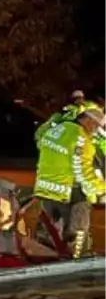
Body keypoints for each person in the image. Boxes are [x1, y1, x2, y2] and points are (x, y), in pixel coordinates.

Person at [34, 107, 106, 257]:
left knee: (48, 234)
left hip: (46, 190)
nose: (95, 130)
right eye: (96, 125)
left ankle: (43, 260)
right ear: (88, 120)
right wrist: (102, 189)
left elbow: (39, 139)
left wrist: (52, 120)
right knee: (76, 235)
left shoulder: (55, 129)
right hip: (70, 193)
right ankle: (76, 265)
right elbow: (82, 173)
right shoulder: (81, 138)